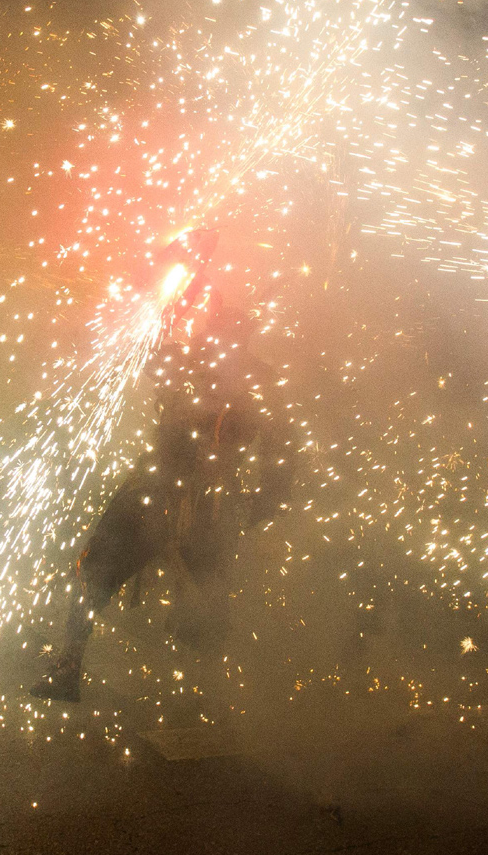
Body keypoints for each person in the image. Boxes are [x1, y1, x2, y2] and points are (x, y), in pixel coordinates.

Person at [30, 290, 295, 703]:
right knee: (94, 569)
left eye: (223, 334)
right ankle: (68, 666)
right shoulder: (184, 360)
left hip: (210, 503)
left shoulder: (258, 380)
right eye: (211, 331)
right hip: (152, 489)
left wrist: (261, 504)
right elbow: (142, 348)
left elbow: (281, 450)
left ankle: (209, 700)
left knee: (205, 608)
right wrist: (169, 307)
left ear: (241, 340)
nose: (213, 339)